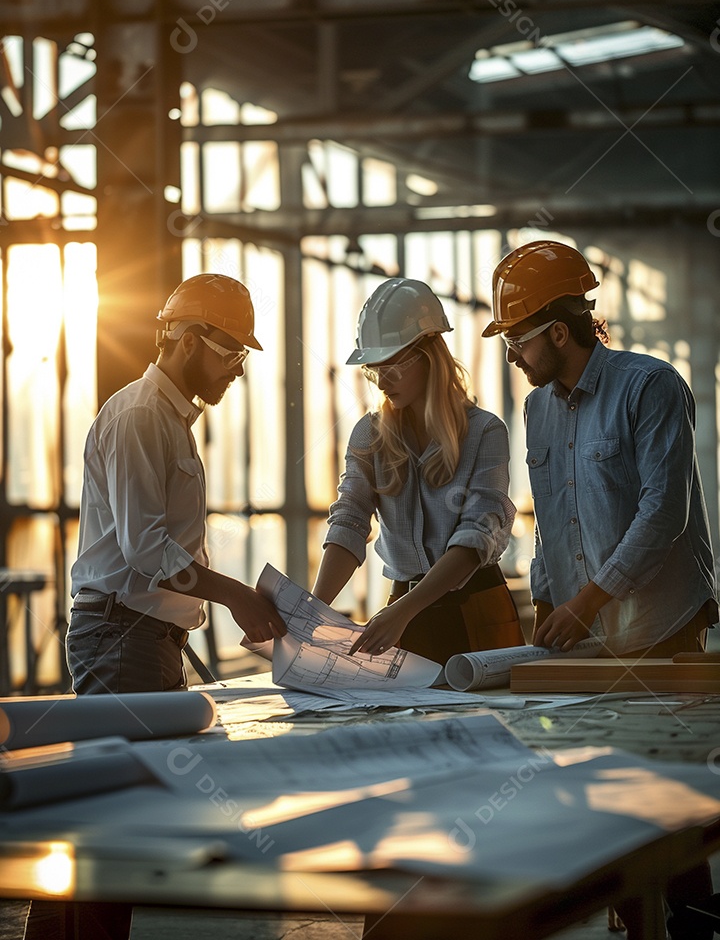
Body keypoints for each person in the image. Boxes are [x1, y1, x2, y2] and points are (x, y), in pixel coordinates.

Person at [24, 274, 286, 940]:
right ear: (191, 340)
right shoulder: (142, 415)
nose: (237, 370)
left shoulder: (166, 417)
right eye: (231, 354)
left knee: (106, 817)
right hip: (122, 635)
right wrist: (236, 597)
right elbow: (146, 549)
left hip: (139, 636)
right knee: (121, 827)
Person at [482, 239, 718, 940]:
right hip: (587, 633)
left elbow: (663, 514)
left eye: (519, 339)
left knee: (666, 791)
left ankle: (690, 923)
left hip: (664, 624)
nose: (514, 354)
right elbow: (551, 512)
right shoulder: (538, 411)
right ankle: (633, 916)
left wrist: (591, 600)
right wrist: (550, 600)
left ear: (559, 331)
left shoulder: (650, 387)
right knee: (603, 789)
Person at [312, 277, 524, 665]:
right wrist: (310, 611)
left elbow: (477, 535)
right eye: (375, 369)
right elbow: (350, 519)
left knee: (491, 718)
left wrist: (404, 610)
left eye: (393, 365)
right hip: (402, 614)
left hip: (476, 609)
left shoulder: (484, 432)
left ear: (429, 356)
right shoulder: (370, 434)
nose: (383, 380)